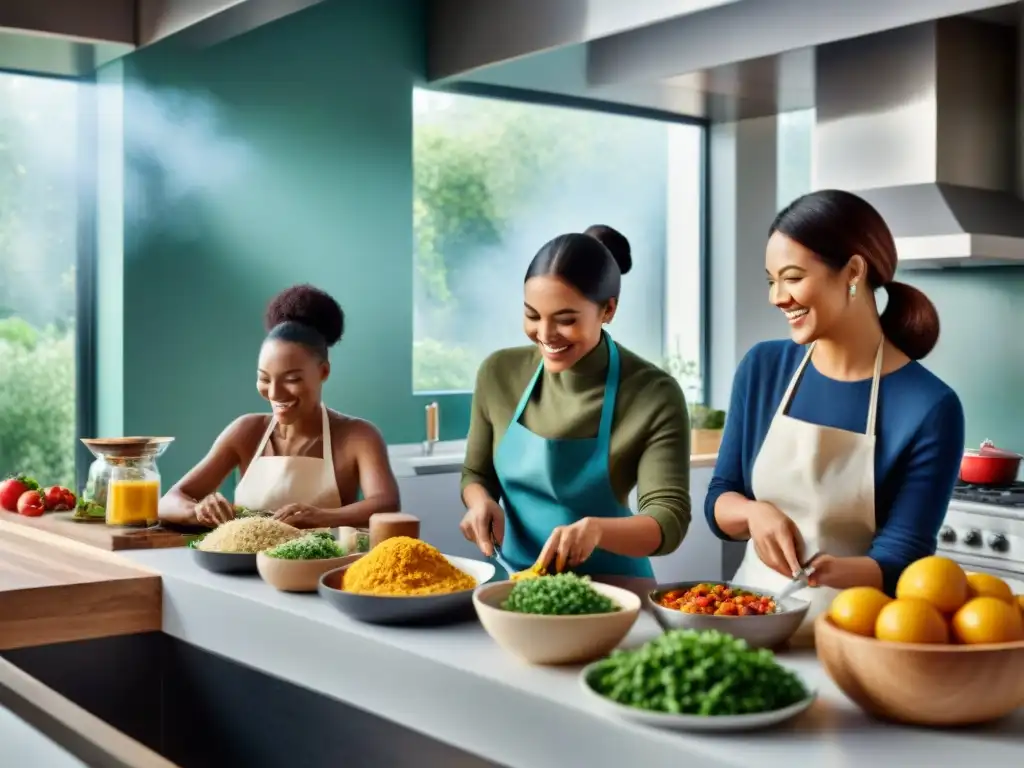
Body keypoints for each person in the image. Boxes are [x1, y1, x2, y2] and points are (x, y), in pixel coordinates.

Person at [706, 189, 965, 638]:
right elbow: (720, 497)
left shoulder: (930, 406)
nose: (777, 297)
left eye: (791, 278)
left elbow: (902, 557)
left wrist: (827, 572)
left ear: (853, 272)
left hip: (856, 634)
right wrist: (753, 514)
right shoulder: (763, 368)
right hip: (746, 622)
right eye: (771, 281)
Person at [459, 225, 692, 590]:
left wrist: (597, 531)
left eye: (565, 320)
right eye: (532, 315)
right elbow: (476, 475)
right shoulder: (498, 373)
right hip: (517, 581)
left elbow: (668, 519)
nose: (546, 335)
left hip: (615, 588)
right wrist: (480, 503)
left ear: (608, 310)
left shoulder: (652, 393)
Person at [160, 284, 400, 529]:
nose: (274, 393)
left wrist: (322, 517)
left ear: (323, 371)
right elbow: (169, 501)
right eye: (264, 379)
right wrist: (199, 510)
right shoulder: (246, 431)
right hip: (241, 565)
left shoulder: (358, 436)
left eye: (292, 379)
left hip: (324, 566)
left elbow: (386, 503)